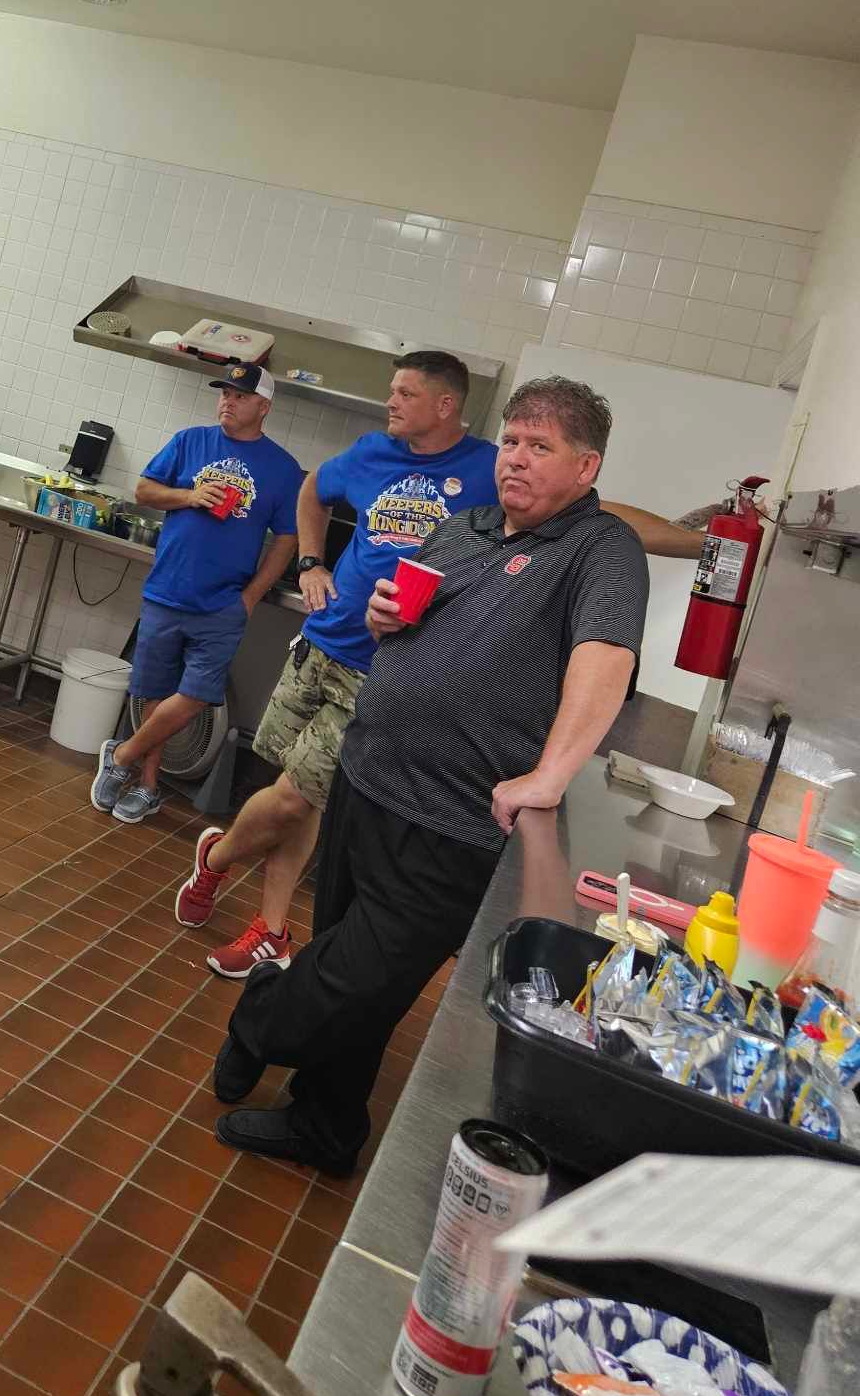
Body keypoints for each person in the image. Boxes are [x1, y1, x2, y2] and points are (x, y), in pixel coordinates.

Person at [209, 374, 648, 1176]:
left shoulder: (600, 549)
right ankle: (325, 1124)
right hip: (367, 777)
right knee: (352, 965)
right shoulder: (465, 527)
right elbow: (405, 615)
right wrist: (382, 616)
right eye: (511, 441)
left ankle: (258, 1022)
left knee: (354, 974)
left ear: (586, 469)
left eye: (539, 447)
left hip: (452, 818)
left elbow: (605, 658)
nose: (515, 459)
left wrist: (550, 775)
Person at [175, 354, 710, 977]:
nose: (391, 403)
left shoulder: (489, 469)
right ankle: (270, 925)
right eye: (392, 392)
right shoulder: (372, 452)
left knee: (296, 796)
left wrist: (704, 543)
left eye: (405, 393)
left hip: (376, 674)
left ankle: (218, 862)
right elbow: (313, 489)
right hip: (324, 641)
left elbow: (607, 515)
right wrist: (311, 563)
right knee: (296, 795)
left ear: (446, 404)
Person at [91, 365, 304, 825]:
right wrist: (189, 496)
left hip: (223, 604)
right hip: (167, 591)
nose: (228, 401)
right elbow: (144, 489)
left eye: (241, 396)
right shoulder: (190, 441)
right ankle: (147, 786)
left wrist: (250, 596)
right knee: (153, 691)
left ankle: (122, 755)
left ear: (264, 407)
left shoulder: (284, 470)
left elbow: (288, 539)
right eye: (225, 393)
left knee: (195, 696)